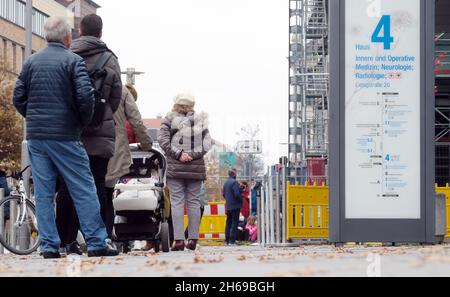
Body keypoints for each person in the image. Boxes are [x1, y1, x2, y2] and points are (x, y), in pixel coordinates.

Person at [12, 16, 118, 259]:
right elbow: (85, 97)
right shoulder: (73, 61)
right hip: (65, 135)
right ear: (67, 37)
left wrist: (35, 116)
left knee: (44, 190)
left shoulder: (31, 62)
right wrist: (80, 122)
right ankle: (96, 241)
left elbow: (18, 96)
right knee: (83, 187)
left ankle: (49, 245)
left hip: (37, 137)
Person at [55, 14, 122, 249]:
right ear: (101, 32)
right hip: (100, 133)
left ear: (79, 32)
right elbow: (116, 97)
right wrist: (100, 115)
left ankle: (65, 240)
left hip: (70, 132)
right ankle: (100, 239)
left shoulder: (66, 55)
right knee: (97, 186)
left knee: (67, 187)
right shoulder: (110, 59)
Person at [158, 93, 212, 251]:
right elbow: (207, 144)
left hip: (175, 168)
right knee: (194, 202)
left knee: (176, 202)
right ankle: (193, 239)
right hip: (195, 168)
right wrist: (193, 155)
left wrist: (178, 154)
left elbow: (163, 141)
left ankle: (179, 240)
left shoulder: (168, 120)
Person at [105, 85, 153, 237]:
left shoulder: (84, 82)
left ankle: (73, 239)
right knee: (106, 193)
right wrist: (146, 145)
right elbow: (137, 121)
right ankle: (103, 236)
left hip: (87, 144)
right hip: (114, 150)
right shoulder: (121, 91)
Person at [223, 168, 243, 246]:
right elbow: (236, 194)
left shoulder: (225, 183)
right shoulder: (235, 182)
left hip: (228, 206)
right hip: (235, 206)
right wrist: (240, 201)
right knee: (234, 223)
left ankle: (227, 240)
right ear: (234, 174)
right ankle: (232, 241)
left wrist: (228, 199)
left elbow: (224, 194)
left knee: (228, 223)